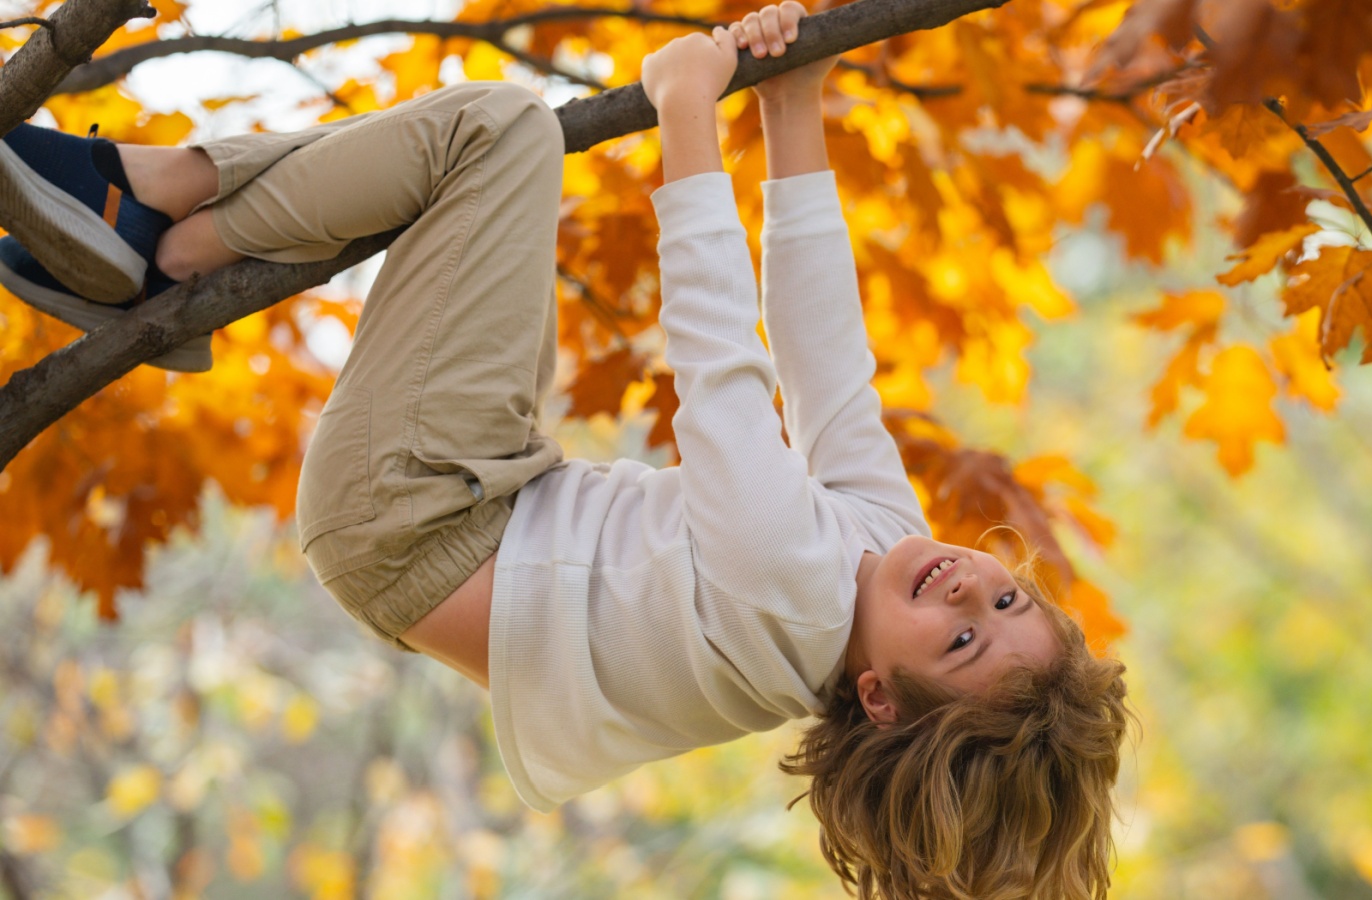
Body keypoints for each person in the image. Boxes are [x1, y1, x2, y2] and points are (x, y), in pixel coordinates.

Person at [0, 4, 1130, 896]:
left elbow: (726, 381)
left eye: (965, 640)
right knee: (475, 156)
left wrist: (687, 116)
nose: (972, 588)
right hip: (488, 486)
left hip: (413, 516)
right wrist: (793, 110)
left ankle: (157, 215)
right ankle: (162, 234)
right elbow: (829, 361)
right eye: (1012, 601)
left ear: (880, 699)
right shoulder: (877, 551)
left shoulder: (791, 605)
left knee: (492, 132)